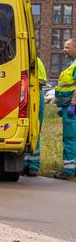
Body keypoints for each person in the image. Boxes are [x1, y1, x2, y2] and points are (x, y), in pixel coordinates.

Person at [53, 38, 76, 179]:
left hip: (72, 107)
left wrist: (73, 104)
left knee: (69, 139)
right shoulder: (71, 64)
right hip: (67, 105)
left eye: (67, 47)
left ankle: (68, 171)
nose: (64, 50)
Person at [24, 56, 48, 176]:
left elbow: (40, 82)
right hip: (33, 96)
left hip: (33, 97)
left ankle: (31, 165)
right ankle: (28, 165)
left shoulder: (34, 60)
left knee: (32, 131)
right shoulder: (35, 60)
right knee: (31, 131)